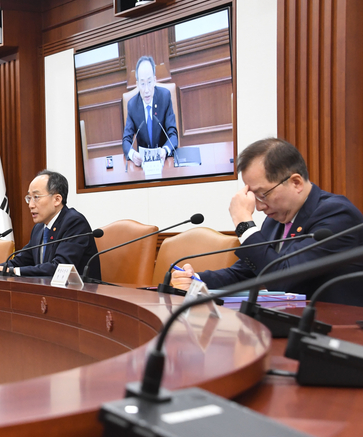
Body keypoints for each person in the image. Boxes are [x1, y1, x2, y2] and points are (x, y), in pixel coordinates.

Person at [171, 138, 363, 305]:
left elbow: (283, 279)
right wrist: (195, 280)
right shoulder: (275, 221)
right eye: (254, 196)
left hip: (340, 331)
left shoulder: (336, 215)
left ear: (295, 182)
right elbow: (243, 273)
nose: (259, 207)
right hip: (292, 324)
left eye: (263, 195)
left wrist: (244, 225)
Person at [0, 170, 101, 279]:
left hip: (80, 296)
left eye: (36, 197)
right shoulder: (39, 228)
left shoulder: (74, 223)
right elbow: (21, 261)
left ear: (57, 199)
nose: (30, 205)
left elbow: (60, 268)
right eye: (29, 198)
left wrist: (13, 271)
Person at [122, 55, 178, 167]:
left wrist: (165, 150)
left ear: (155, 80)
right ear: (137, 84)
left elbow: (173, 135)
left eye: (149, 82)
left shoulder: (165, 97)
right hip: (143, 166)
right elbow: (126, 140)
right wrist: (133, 155)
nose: (146, 90)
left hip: (164, 163)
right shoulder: (132, 105)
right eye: (142, 84)